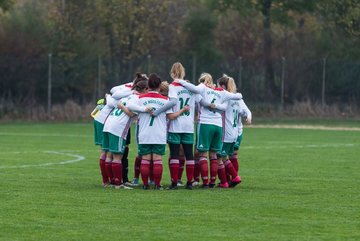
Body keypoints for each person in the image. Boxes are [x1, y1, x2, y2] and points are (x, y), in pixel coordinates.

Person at [175, 73, 242, 188]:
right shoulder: (221, 91)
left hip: (205, 124)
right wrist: (215, 105)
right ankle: (212, 182)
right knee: (214, 155)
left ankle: (205, 182)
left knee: (202, 154)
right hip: (218, 125)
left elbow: (195, 90)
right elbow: (239, 96)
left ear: (203, 81)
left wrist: (180, 81)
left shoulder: (202, 87)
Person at [126, 73, 189, 190]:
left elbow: (129, 106)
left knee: (145, 159)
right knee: (157, 160)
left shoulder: (140, 98)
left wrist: (144, 109)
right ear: (159, 86)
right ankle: (157, 184)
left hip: (144, 133)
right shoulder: (165, 100)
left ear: (148, 85)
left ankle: (145, 185)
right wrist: (183, 110)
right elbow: (170, 117)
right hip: (159, 134)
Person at [102, 74, 149, 189]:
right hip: (118, 127)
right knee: (118, 156)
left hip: (107, 125)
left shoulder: (126, 96)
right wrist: (143, 110)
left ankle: (112, 182)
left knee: (109, 155)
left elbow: (116, 102)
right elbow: (131, 112)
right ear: (145, 89)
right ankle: (118, 184)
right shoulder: (137, 99)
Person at [166, 62, 202, 190]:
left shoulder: (172, 87)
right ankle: (190, 182)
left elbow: (171, 102)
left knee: (175, 154)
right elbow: (199, 101)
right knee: (189, 155)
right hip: (188, 125)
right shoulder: (191, 87)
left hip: (175, 123)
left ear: (172, 73)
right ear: (183, 73)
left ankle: (175, 182)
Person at [216, 75, 243, 188]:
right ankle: (232, 178)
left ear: (222, 86)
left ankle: (225, 181)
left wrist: (213, 105)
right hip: (234, 133)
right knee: (225, 157)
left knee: (218, 157)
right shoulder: (236, 99)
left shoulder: (226, 97)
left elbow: (222, 108)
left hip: (226, 134)